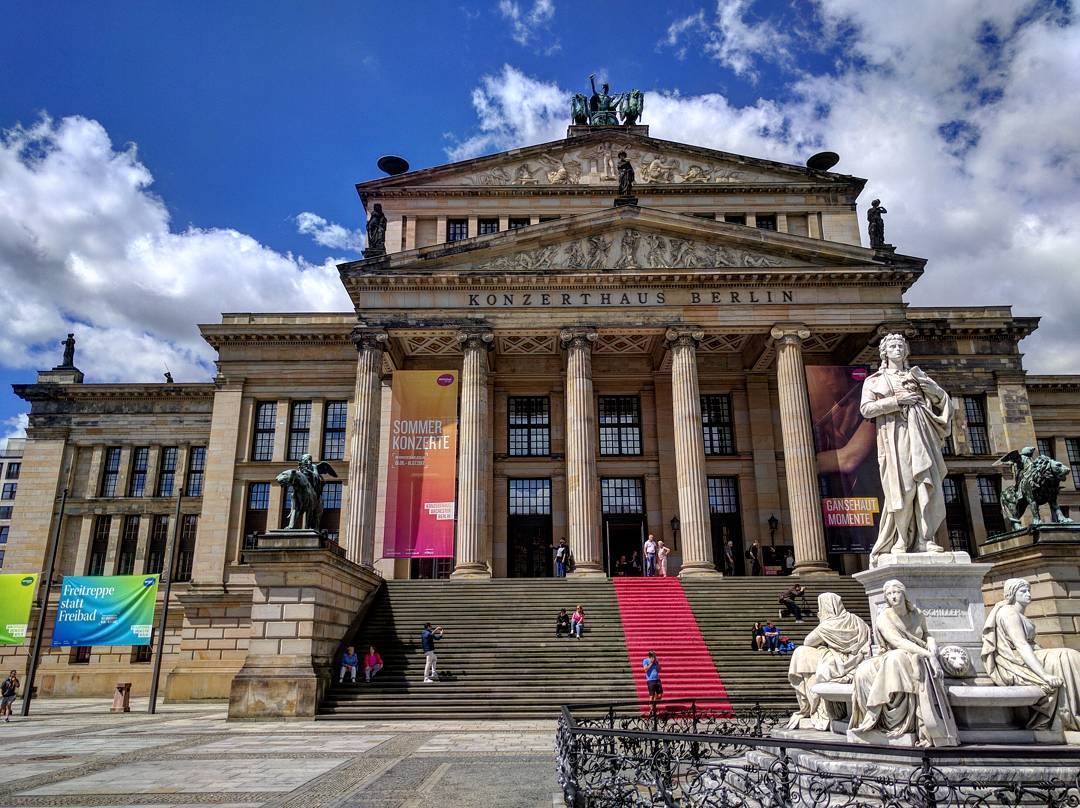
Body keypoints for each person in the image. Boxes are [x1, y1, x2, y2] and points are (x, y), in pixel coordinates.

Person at [860, 333, 953, 567]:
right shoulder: (874, 380)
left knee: (925, 484)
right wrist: (897, 401)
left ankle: (925, 539)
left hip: (921, 434)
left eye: (901, 345)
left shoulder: (918, 376)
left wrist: (930, 389)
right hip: (895, 437)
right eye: (892, 346)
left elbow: (943, 401)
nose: (898, 349)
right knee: (904, 488)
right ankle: (901, 539)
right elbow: (866, 409)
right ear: (884, 352)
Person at [848, 580, 958, 747]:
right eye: (889, 594)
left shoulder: (917, 614)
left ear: (904, 594)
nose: (893, 597)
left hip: (913, 655)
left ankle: (903, 723)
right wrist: (929, 655)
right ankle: (885, 723)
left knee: (896, 659)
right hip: (895, 652)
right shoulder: (884, 617)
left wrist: (932, 645)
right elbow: (897, 642)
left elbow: (926, 634)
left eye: (896, 592)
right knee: (865, 670)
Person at [982, 577, 1080, 732]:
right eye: (1023, 591)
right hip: (1015, 661)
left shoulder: (1016, 613)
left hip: (1029, 654)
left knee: (1070, 656)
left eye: (1029, 590)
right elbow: (1021, 645)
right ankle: (1070, 715)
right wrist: (1044, 675)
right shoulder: (1009, 613)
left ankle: (1073, 711)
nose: (1028, 594)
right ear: (1012, 594)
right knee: (1066, 656)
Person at [786, 593, 872, 730]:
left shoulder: (827, 625)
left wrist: (822, 622)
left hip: (838, 663)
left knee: (801, 652)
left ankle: (816, 708)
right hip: (859, 660)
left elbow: (808, 641)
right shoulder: (857, 620)